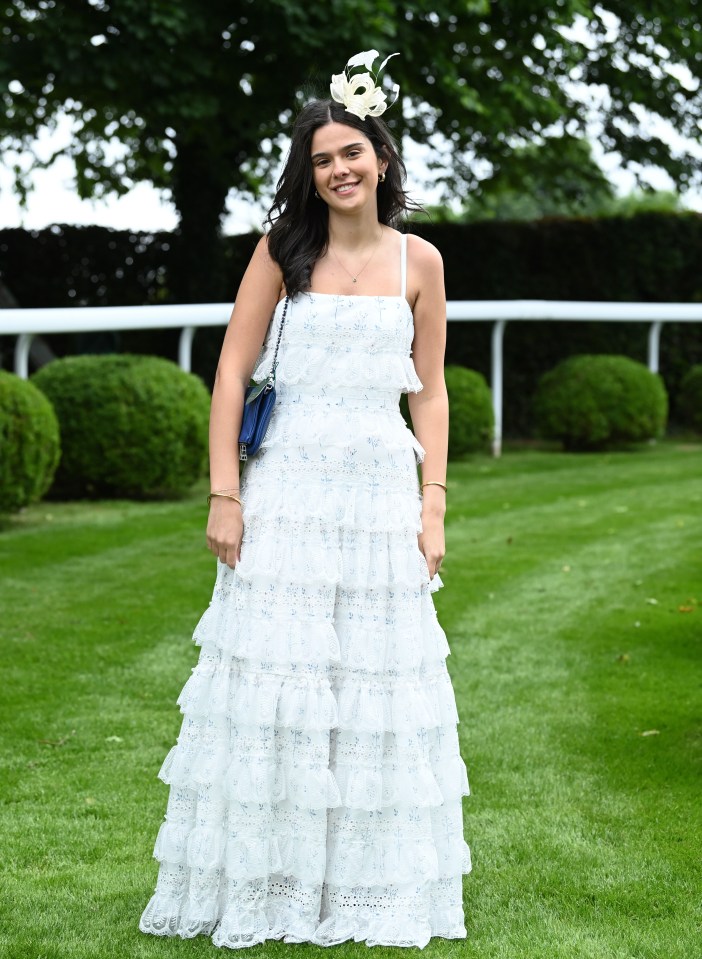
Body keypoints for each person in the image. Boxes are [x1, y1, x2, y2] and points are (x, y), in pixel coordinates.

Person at [139, 50, 471, 950]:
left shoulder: (422, 261)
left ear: (384, 158)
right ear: (310, 174)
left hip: (376, 496)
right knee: (280, 684)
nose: (341, 168)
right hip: (285, 487)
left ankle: (362, 886)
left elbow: (429, 391)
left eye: (353, 152)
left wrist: (432, 502)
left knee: (371, 686)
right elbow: (232, 371)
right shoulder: (282, 251)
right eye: (323, 158)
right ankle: (271, 883)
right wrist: (225, 494)